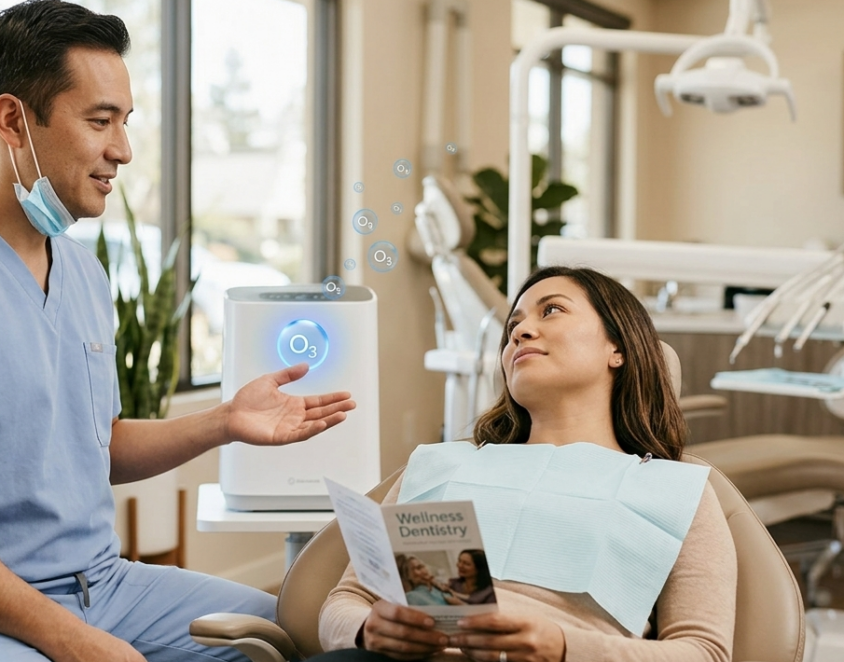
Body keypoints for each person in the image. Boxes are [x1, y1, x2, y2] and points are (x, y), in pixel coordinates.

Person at [0, 2, 355, 661]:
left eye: (125, 123)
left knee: (287, 636)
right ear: (13, 120)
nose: (123, 150)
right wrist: (74, 643)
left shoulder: (80, 270)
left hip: (98, 584)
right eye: (100, 121)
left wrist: (224, 421)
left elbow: (92, 445)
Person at [313, 266, 736, 662]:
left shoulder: (676, 489)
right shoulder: (438, 465)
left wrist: (565, 647)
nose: (521, 332)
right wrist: (367, 629)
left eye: (551, 310)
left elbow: (704, 652)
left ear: (618, 348)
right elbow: (346, 599)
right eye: (513, 326)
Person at [397, 556, 463, 607]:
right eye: (419, 567)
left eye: (423, 566)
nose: (425, 569)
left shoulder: (440, 589)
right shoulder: (411, 596)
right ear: (407, 575)